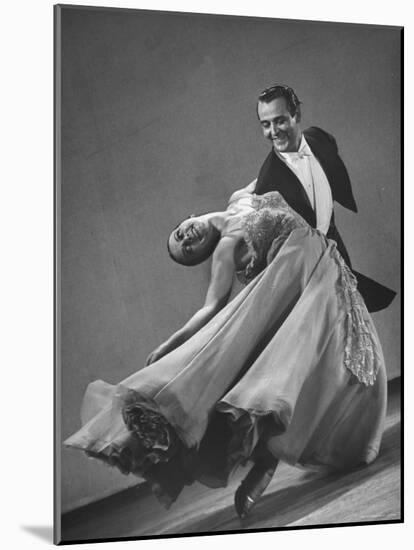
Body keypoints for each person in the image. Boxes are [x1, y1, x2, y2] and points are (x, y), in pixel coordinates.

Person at [64, 189, 387, 519]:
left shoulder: (240, 197)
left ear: (189, 216)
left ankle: (271, 458)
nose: (188, 239)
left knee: (333, 355)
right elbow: (211, 307)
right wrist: (169, 345)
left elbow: (289, 177)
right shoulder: (223, 251)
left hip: (321, 266)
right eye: (188, 250)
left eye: (181, 234)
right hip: (295, 280)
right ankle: (264, 462)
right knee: (282, 367)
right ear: (203, 255)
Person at [239, 84, 395, 313]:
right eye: (266, 124)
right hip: (307, 272)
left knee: (352, 312)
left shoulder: (320, 138)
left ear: (297, 115)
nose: (273, 131)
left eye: (280, 120)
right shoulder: (267, 183)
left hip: (334, 244)